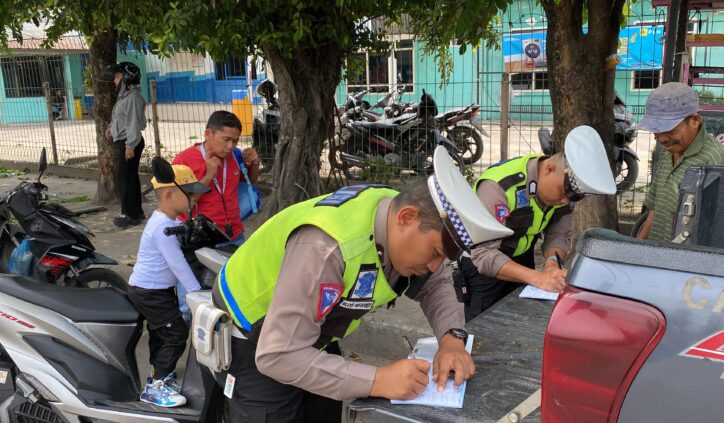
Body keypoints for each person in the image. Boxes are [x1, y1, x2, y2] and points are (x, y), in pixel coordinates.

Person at [212, 147, 512, 422]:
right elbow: (277, 355)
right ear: (406, 218)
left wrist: (452, 339)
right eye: (434, 252)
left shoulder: (396, 217)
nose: (435, 266)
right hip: (254, 336)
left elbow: (436, 283)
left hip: (313, 331)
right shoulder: (326, 248)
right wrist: (379, 379)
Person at [457, 126, 616, 321]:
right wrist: (537, 277)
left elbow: (559, 234)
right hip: (483, 270)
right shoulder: (498, 186)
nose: (566, 201)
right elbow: (484, 255)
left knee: (521, 322)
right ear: (549, 169)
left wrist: (551, 264)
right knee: (484, 331)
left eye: (575, 197)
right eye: (564, 192)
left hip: (522, 261)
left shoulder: (562, 192)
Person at [127, 164, 211, 407]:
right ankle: (155, 387)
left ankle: (159, 376)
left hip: (155, 289)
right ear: (169, 195)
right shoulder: (161, 228)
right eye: (189, 193)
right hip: (149, 292)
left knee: (160, 332)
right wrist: (197, 294)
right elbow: (178, 265)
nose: (194, 198)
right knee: (176, 334)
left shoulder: (165, 221)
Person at [636, 82, 724, 241]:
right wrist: (638, 246)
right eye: (656, 129)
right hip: (655, 256)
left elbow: (719, 229)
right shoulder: (668, 151)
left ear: (695, 120)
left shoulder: (715, 160)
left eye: (669, 129)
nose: (661, 138)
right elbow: (655, 208)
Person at [173, 111, 260, 247]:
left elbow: (250, 182)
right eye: (226, 139)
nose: (230, 146)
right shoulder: (183, 161)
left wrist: (255, 164)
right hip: (203, 239)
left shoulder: (235, 155)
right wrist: (208, 176)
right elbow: (183, 205)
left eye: (235, 141)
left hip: (235, 235)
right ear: (208, 134)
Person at [104, 62, 147, 228]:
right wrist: (110, 128)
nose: (114, 80)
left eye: (117, 77)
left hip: (131, 142)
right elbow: (120, 119)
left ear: (126, 78)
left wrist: (130, 146)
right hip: (125, 140)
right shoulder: (124, 97)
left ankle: (128, 214)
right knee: (130, 177)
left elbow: (133, 124)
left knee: (124, 178)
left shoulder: (134, 98)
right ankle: (136, 212)